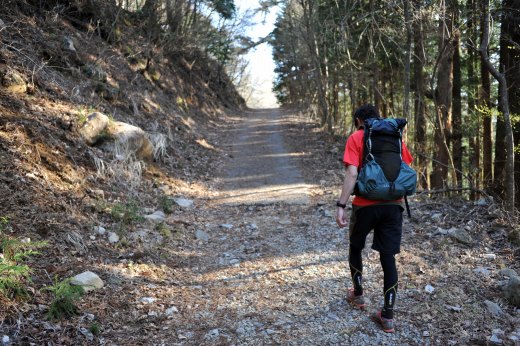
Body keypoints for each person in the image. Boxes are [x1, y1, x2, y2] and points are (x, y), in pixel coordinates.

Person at [335, 104, 413, 333]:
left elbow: (352, 173)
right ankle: (388, 316)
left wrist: (341, 205)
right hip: (393, 206)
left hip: (365, 206)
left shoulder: (357, 137)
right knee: (388, 258)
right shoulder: (394, 138)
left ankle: (358, 295)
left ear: (359, 119)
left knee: (356, 246)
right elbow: (406, 166)